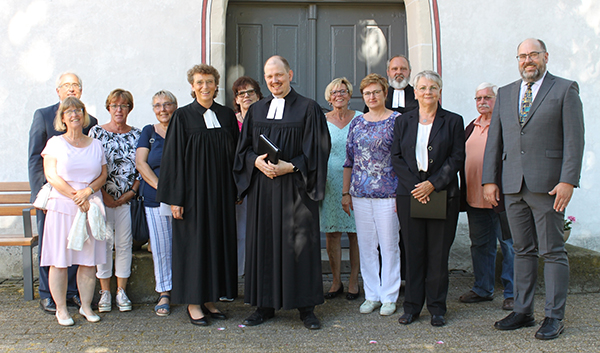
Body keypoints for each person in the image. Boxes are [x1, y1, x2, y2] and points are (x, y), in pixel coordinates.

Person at [483, 38, 584, 340]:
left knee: (552, 251)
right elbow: (494, 141)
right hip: (513, 185)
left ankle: (554, 316)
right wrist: (490, 179)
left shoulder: (565, 90)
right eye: (522, 56)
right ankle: (523, 311)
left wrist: (568, 181)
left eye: (533, 55)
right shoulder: (506, 93)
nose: (528, 61)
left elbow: (574, 140)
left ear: (545, 57)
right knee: (522, 250)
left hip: (549, 185)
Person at [233, 55, 331, 330]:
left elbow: (319, 149)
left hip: (296, 189)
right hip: (264, 188)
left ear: (289, 74)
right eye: (269, 77)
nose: (274, 81)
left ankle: (306, 308)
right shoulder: (256, 110)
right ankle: (264, 305)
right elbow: (244, 149)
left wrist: (292, 166)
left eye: (279, 75)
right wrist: (256, 161)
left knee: (299, 244)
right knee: (264, 244)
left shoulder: (308, 108)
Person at [156, 64, 239, 326]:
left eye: (210, 82)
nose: (205, 87)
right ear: (192, 86)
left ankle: (210, 299)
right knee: (194, 248)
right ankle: (193, 302)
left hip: (221, 195)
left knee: (216, 244)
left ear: (217, 85)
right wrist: (175, 199)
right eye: (200, 82)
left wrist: (237, 188)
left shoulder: (226, 115)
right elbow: (172, 160)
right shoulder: (182, 117)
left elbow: (236, 156)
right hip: (192, 197)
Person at [391, 70, 465, 327]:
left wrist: (432, 185)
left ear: (439, 91)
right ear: (415, 92)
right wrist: (417, 186)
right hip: (410, 193)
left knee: (437, 253)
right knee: (413, 252)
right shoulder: (403, 121)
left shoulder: (453, 121)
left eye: (432, 88)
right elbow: (396, 157)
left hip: (442, 192)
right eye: (422, 88)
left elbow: (457, 157)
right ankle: (411, 307)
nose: (427, 92)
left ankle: (437, 308)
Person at [28, 72, 98, 313]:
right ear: (58, 90)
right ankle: (48, 295)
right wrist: (43, 194)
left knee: (78, 248)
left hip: (84, 199)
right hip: (53, 197)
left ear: (80, 90)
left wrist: (87, 193)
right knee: (53, 250)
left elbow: (97, 163)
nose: (71, 89)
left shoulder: (91, 121)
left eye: (75, 85)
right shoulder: (43, 115)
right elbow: (35, 158)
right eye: (66, 85)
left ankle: (72, 294)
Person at [41, 97, 107, 326]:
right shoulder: (55, 143)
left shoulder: (96, 144)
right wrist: (75, 196)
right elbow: (51, 175)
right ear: (62, 118)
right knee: (59, 261)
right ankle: (61, 310)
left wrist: (87, 192)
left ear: (84, 114)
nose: (74, 114)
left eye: (78, 110)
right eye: (68, 111)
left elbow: (103, 175)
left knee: (88, 262)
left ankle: (86, 306)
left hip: (90, 208)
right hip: (63, 208)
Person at [343, 74, 400, 316]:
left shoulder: (398, 121)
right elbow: (349, 160)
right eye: (367, 93)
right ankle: (371, 295)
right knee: (366, 246)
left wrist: (402, 194)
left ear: (385, 93)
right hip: (360, 193)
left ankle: (389, 296)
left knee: (389, 245)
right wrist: (346, 193)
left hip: (389, 193)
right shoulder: (357, 122)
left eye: (376, 92)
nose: (372, 96)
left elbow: (403, 158)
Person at [459, 83, 515, 311]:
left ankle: (513, 293)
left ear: (497, 100)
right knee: (480, 245)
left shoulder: (505, 125)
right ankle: (483, 289)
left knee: (509, 245)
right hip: (474, 198)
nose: (482, 101)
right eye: (478, 98)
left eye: (487, 97)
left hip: (502, 200)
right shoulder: (471, 126)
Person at [89, 89, 141, 313]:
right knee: (102, 244)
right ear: (108, 108)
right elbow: (90, 165)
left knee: (124, 245)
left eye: (124, 105)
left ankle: (121, 291)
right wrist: (104, 194)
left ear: (130, 108)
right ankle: (105, 293)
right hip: (102, 199)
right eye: (114, 105)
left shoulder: (137, 134)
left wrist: (131, 193)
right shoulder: (96, 133)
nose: (119, 110)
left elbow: (141, 167)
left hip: (127, 200)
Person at [135, 90, 178, 316]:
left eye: (167, 104)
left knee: (185, 244)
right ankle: (165, 291)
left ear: (175, 106)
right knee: (162, 246)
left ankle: (188, 287)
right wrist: (163, 189)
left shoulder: (183, 129)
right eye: (158, 105)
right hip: (156, 197)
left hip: (183, 197)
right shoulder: (148, 132)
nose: (163, 109)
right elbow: (141, 163)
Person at [322, 77, 360, 301]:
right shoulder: (320, 120)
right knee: (332, 232)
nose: (339, 95)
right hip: (328, 183)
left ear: (350, 94)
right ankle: (336, 281)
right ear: (329, 98)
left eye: (343, 91)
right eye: (334, 92)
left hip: (355, 182)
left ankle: (354, 281)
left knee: (356, 233)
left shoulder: (360, 119)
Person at [231, 76, 263, 277]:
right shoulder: (230, 122)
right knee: (239, 231)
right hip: (239, 184)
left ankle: (258, 274)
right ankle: (239, 274)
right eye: (241, 93)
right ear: (235, 99)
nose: (246, 96)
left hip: (262, 181)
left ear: (259, 96)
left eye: (250, 92)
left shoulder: (267, 120)